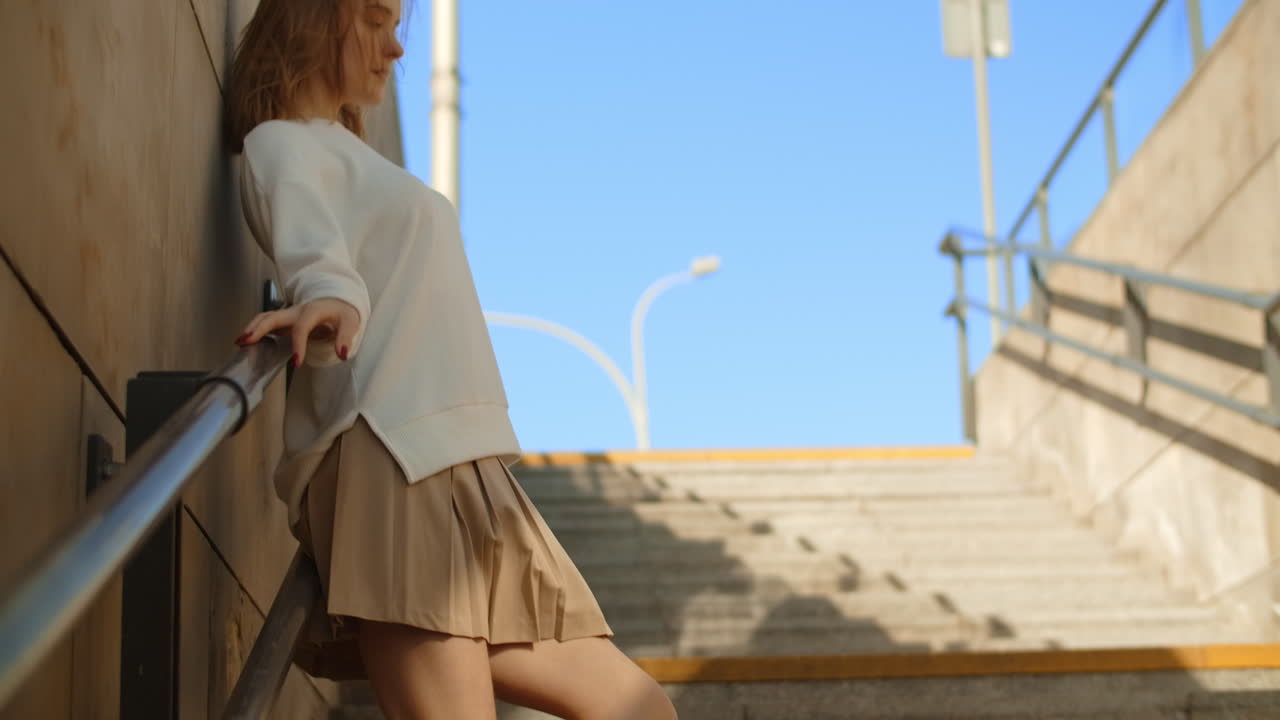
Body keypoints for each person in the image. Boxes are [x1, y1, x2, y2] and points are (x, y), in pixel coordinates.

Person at [225, 1, 677, 718]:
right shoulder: (282, 145)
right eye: (376, 20)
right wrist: (329, 301)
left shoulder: (349, 156)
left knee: (638, 706)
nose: (395, 48)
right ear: (315, 20)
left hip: (464, 471)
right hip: (394, 460)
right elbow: (320, 261)